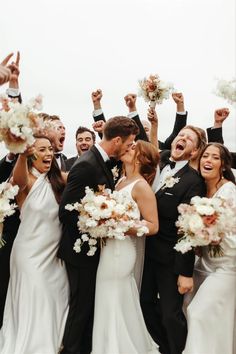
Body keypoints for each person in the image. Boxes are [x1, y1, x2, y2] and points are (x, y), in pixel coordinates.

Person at [58, 116, 139, 354]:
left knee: (89, 307)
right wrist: (100, 223)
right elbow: (66, 212)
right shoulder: (86, 165)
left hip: (96, 249)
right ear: (116, 140)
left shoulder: (105, 161)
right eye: (128, 143)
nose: (129, 147)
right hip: (80, 250)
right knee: (80, 308)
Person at [0, 136, 69, 353]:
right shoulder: (25, 181)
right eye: (42, 150)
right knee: (35, 296)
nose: (48, 153)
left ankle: (52, 343)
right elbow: (18, 179)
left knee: (55, 295)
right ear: (32, 154)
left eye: (50, 149)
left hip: (54, 255)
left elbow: (88, 175)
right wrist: (22, 152)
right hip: (29, 254)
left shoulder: (60, 180)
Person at [140, 125, 206, 354]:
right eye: (180, 135)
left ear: (195, 152)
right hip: (145, 255)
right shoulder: (159, 165)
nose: (182, 139)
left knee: (171, 316)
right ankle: (165, 348)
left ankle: (178, 349)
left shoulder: (193, 182)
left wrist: (185, 273)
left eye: (189, 139)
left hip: (170, 260)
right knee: (144, 305)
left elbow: (189, 230)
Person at [91, 140, 160, 354]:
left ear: (141, 159)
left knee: (113, 294)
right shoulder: (120, 180)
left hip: (123, 251)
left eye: (132, 148)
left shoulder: (141, 186)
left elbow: (153, 225)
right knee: (108, 295)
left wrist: (121, 225)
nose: (127, 149)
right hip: (110, 248)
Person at [183, 143, 236, 354]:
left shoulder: (229, 190)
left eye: (215, 157)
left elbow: (231, 229)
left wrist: (212, 236)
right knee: (192, 310)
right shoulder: (200, 189)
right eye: (206, 156)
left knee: (198, 313)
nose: (208, 161)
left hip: (226, 265)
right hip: (202, 264)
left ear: (223, 165)